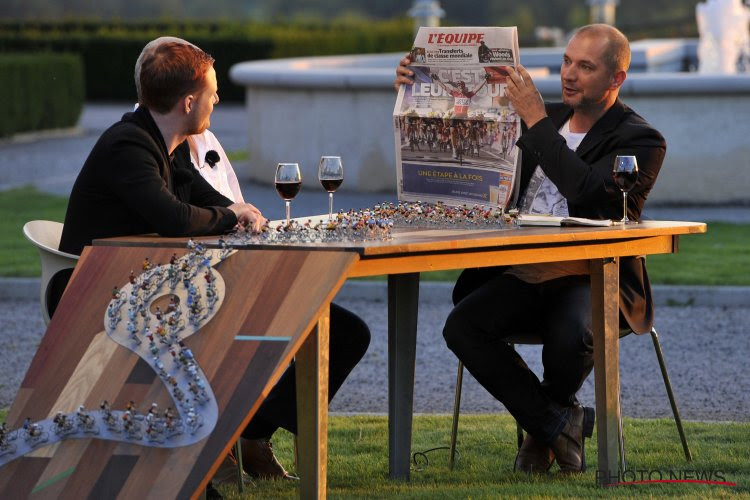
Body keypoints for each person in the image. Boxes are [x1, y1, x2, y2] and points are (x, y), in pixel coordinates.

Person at [57, 41, 370, 489]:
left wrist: (238, 211)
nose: (217, 101)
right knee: (281, 329)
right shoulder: (129, 144)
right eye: (212, 93)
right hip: (104, 299)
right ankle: (210, 456)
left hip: (159, 292)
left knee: (341, 329)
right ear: (189, 102)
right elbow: (174, 217)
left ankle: (246, 435)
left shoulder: (168, 142)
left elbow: (202, 196)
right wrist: (231, 216)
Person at [395, 24, 666, 474]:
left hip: (589, 274)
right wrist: (415, 89)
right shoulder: (537, 117)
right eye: (566, 61)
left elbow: (590, 195)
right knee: (462, 326)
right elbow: (459, 138)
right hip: (521, 273)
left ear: (615, 79)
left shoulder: (640, 139)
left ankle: (542, 432)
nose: (569, 75)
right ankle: (557, 423)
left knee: (573, 332)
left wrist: (538, 122)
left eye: (585, 66)